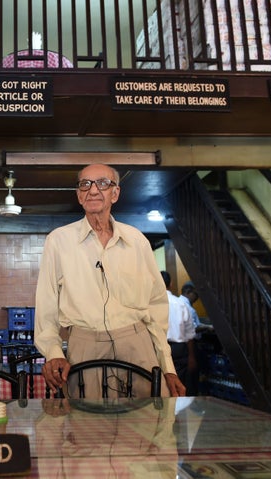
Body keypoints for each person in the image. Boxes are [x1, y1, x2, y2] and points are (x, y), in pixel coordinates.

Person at [34, 163, 185, 398]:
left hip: (138, 344)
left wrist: (168, 367)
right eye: (85, 184)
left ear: (115, 193)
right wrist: (54, 352)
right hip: (85, 346)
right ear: (78, 195)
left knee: (146, 427)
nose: (93, 190)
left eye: (103, 183)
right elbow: (46, 306)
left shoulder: (137, 240)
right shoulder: (59, 241)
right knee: (88, 427)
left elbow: (156, 307)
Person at [161, 271, 196, 395]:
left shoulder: (152, 305)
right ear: (171, 284)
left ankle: (166, 411)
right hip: (180, 349)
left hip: (160, 347)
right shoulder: (181, 303)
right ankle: (179, 411)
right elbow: (190, 334)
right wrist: (192, 357)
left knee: (163, 385)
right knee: (180, 385)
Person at [179, 281, 202, 395]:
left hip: (180, 347)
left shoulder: (177, 303)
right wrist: (207, 328)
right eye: (195, 295)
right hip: (189, 345)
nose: (197, 298)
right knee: (192, 377)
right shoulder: (187, 307)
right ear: (188, 292)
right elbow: (191, 330)